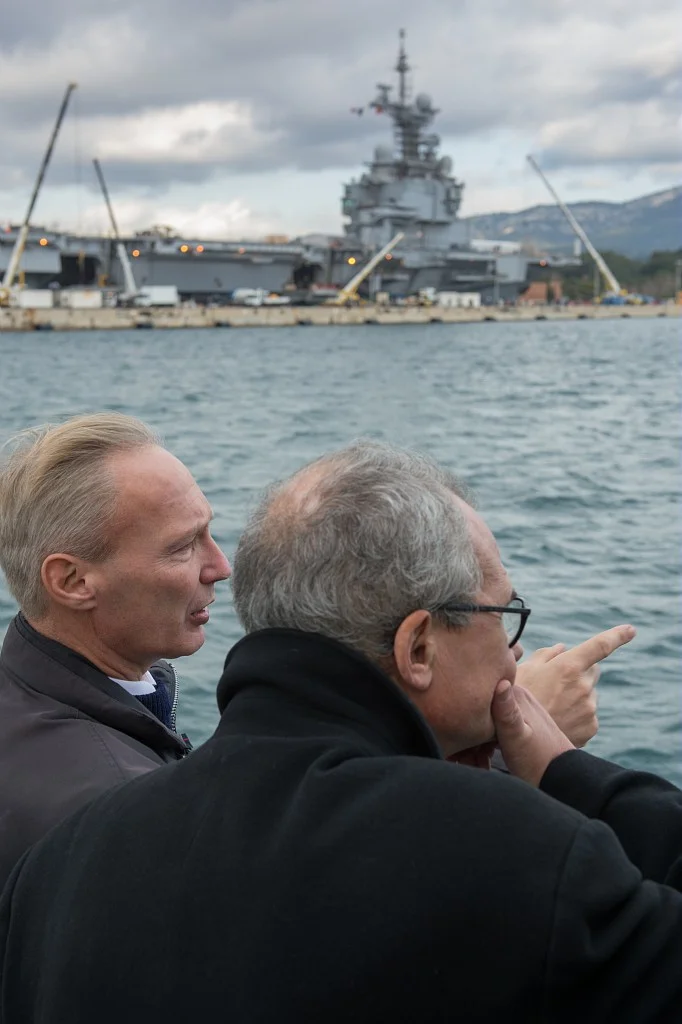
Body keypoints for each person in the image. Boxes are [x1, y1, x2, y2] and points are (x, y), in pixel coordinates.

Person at [1, 439, 680, 1024]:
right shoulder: (519, 852)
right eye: (503, 614)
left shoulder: (60, 867)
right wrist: (569, 777)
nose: (514, 655)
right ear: (416, 648)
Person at [0, 412, 231, 889]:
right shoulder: (120, 809)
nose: (220, 566)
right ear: (72, 581)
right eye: (183, 547)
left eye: (208, 532)